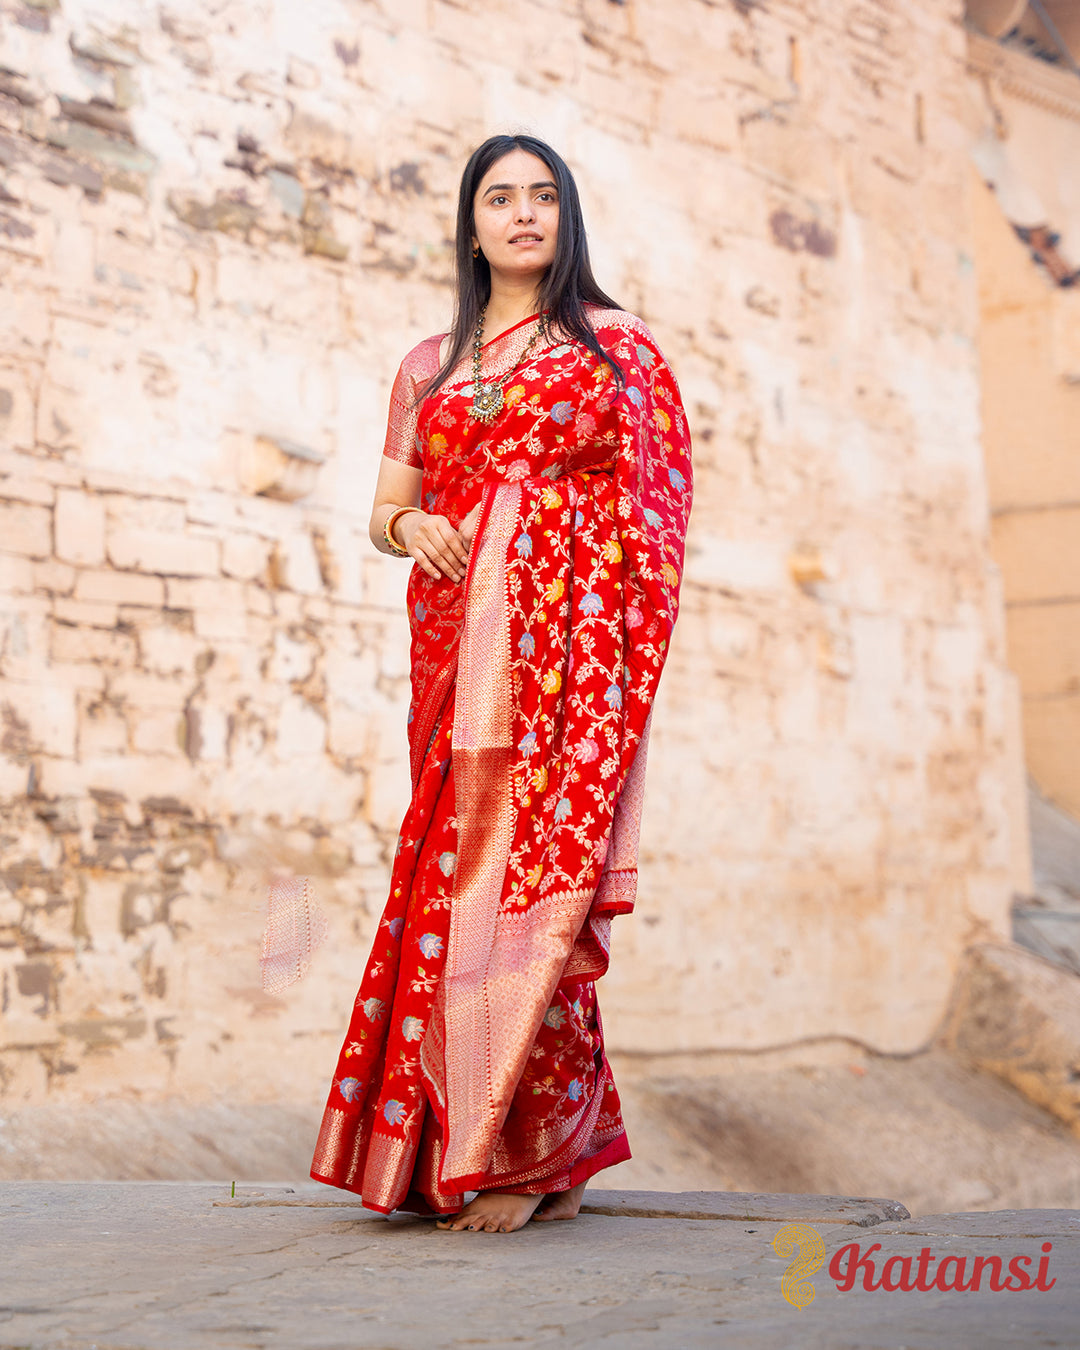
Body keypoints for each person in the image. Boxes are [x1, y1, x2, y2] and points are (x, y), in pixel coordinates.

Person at [309, 133, 693, 1234]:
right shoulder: (429, 364)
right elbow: (386, 512)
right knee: (457, 887)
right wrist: (417, 522)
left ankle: (523, 1154)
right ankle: (538, 1135)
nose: (522, 214)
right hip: (457, 662)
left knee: (540, 893)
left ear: (567, 219)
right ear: (471, 224)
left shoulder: (619, 351)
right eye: (499, 198)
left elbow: (657, 512)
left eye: (542, 197)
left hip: (566, 661)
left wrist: (559, 567)